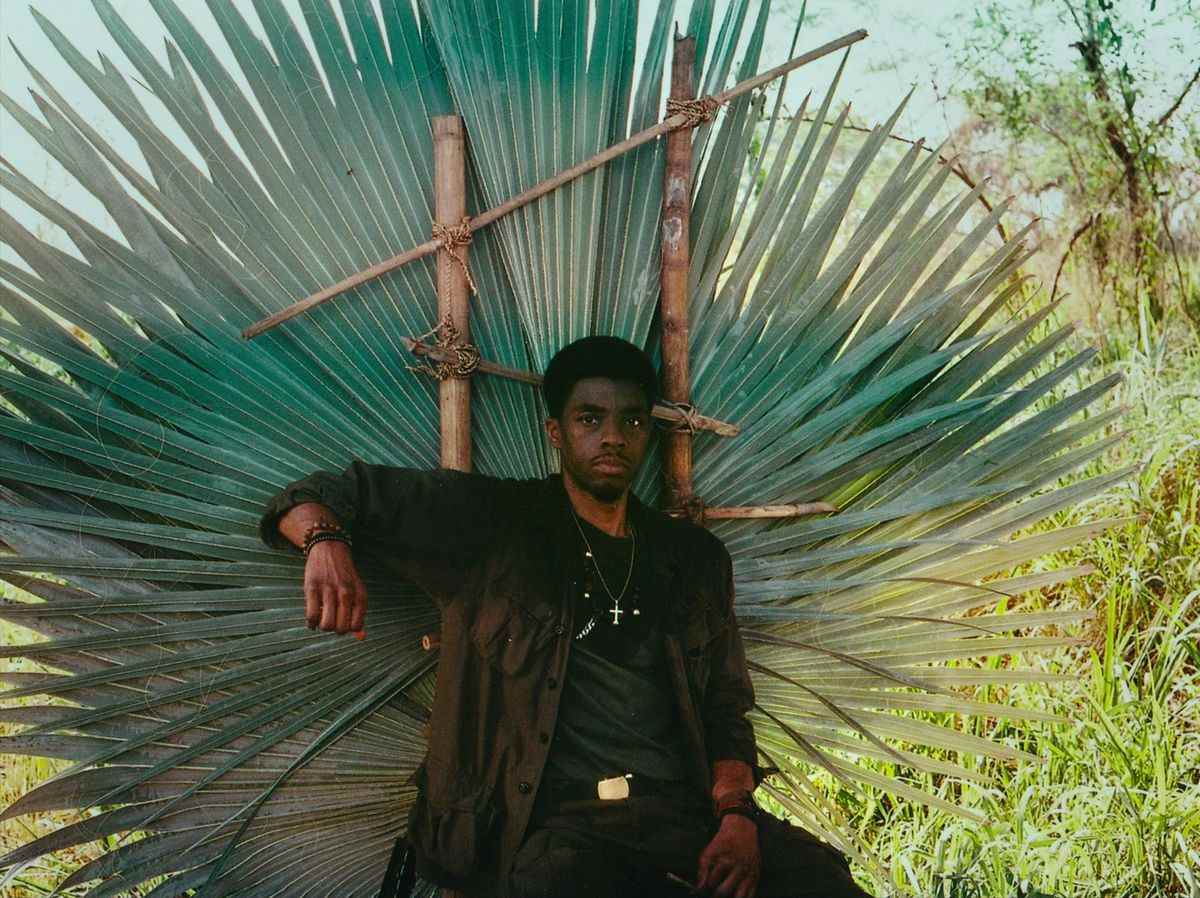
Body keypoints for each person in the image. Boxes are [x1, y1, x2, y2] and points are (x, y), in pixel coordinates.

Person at [258, 336, 872, 898]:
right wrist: (324, 543)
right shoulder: (492, 525)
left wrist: (737, 818)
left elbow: (726, 710)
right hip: (548, 828)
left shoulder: (693, 559)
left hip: (677, 813)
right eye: (590, 419)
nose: (612, 437)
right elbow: (311, 496)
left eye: (631, 420)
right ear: (556, 432)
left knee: (821, 880)